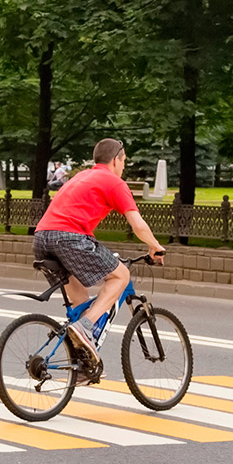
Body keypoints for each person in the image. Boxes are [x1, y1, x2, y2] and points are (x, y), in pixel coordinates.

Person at [33, 138, 165, 370]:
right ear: (116, 160)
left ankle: (82, 366)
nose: (124, 167)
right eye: (124, 162)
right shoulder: (113, 182)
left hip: (42, 237)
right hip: (69, 238)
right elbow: (137, 224)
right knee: (120, 276)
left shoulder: (81, 176)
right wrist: (155, 246)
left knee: (82, 304)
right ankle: (84, 328)